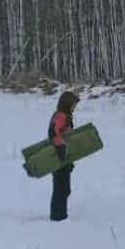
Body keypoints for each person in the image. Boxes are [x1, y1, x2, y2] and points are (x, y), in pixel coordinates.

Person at [48, 91, 80, 221]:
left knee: (65, 189)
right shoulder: (60, 116)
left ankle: (62, 214)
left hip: (65, 158)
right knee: (60, 188)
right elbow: (53, 132)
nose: (74, 108)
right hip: (58, 157)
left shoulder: (66, 116)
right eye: (73, 105)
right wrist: (60, 146)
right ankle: (58, 216)